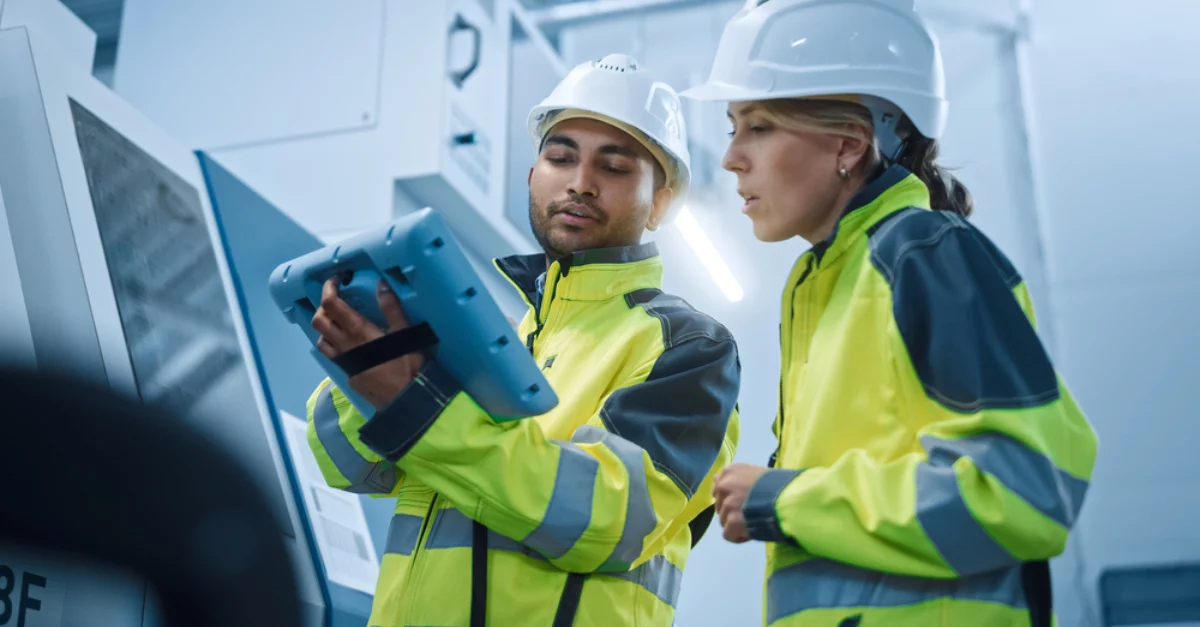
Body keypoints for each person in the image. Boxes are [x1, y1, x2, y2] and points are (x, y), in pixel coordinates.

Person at [679, 1, 1099, 626]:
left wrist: (785, 499)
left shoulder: (923, 256)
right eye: (733, 124)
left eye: (759, 126)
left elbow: (1024, 490)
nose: (731, 157)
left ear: (848, 145)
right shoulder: (826, 283)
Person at [305, 53, 741, 627]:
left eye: (613, 167)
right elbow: (342, 465)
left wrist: (417, 405)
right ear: (534, 175)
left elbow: (606, 519)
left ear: (660, 202)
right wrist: (369, 362)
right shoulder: (502, 338)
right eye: (561, 158)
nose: (580, 184)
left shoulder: (690, 347)